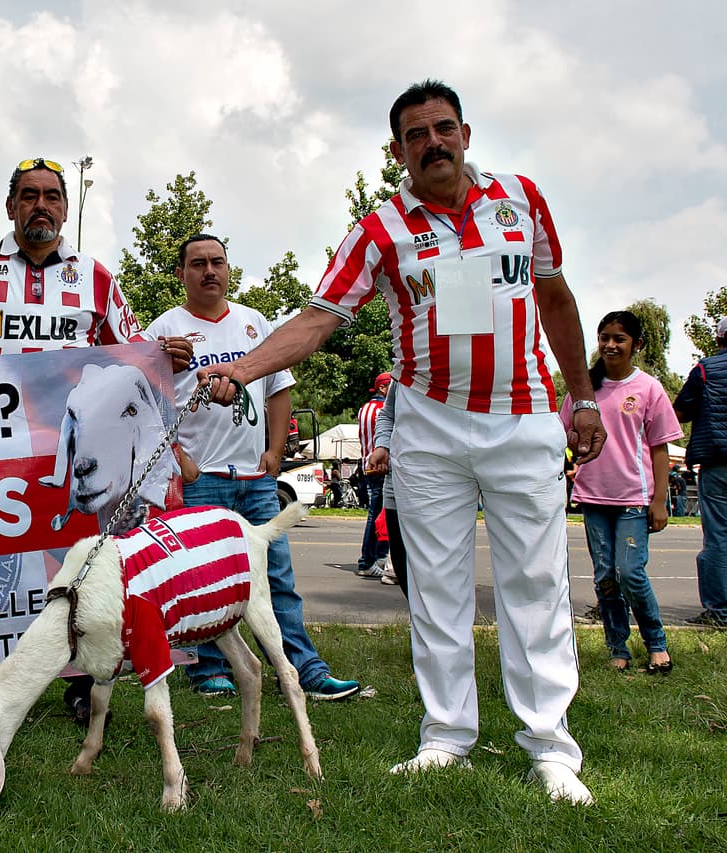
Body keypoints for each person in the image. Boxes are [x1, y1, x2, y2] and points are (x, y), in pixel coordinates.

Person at [200, 80, 604, 805]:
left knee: (535, 585)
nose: (433, 143)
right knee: (437, 586)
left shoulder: (522, 200)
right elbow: (319, 318)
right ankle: (446, 736)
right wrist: (245, 366)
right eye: (416, 135)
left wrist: (583, 400)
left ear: (467, 133)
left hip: (525, 415)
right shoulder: (380, 227)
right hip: (428, 425)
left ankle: (550, 748)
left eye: (443, 128)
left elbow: (557, 299)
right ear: (397, 151)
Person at [0, 157, 193, 723]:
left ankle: (83, 682)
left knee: (76, 567)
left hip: (70, 453)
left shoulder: (95, 276)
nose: (40, 205)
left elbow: (131, 353)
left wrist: (165, 356)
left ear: (66, 210)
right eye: (28, 195)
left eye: (51, 196)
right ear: (10, 206)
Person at [148, 234, 360, 701]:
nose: (209, 271)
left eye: (218, 262)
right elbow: (145, 403)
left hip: (255, 480)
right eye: (198, 263)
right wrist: (179, 461)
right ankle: (208, 669)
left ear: (229, 268)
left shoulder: (254, 322)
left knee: (276, 576)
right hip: (201, 481)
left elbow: (278, 390)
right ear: (181, 273)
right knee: (202, 578)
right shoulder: (164, 329)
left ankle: (305, 668)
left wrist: (275, 451)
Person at [561, 311, 682, 673]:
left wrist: (659, 501)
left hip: (633, 499)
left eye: (620, 339)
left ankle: (656, 643)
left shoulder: (648, 388)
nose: (610, 345)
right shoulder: (584, 389)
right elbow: (562, 432)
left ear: (636, 345)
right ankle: (619, 649)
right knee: (605, 577)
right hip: (594, 498)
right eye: (604, 338)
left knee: (630, 573)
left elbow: (660, 448)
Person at [674, 316, 727, 629]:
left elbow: (680, 411)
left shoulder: (705, 369)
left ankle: (720, 610)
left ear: (719, 339)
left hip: (717, 461)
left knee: (718, 537)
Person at [366, 383, 409, 595]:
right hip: (395, 477)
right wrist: (382, 445)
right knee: (403, 568)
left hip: (442, 483)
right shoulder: (402, 368)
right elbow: (387, 415)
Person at [356, 373, 392, 578]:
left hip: (367, 463)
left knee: (377, 512)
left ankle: (375, 557)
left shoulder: (364, 409)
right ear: (382, 388)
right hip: (381, 465)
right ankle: (370, 559)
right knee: (381, 513)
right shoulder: (383, 411)